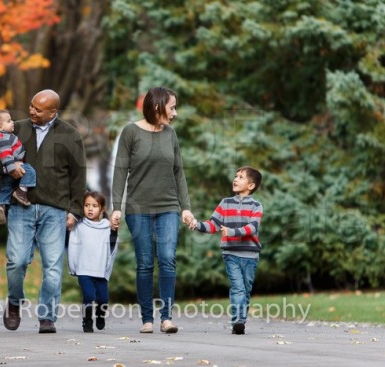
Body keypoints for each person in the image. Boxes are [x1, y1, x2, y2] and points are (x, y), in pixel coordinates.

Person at [0, 89, 87, 334]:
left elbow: (78, 177)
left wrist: (75, 211)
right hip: (22, 207)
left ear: (53, 112)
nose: (31, 111)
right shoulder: (14, 128)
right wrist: (9, 167)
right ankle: (14, 302)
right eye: (31, 106)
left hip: (55, 210)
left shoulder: (70, 135)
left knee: (52, 267)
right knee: (17, 261)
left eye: (38, 109)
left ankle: (47, 317)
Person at [110, 86, 194, 334]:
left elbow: (179, 172)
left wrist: (185, 208)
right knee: (145, 263)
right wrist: (116, 207)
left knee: (167, 259)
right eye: (172, 107)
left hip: (168, 206)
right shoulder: (130, 132)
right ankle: (147, 318)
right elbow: (119, 171)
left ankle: (166, 317)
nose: (175, 113)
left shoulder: (171, 134)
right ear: (158, 107)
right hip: (138, 208)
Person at [188, 166, 263, 335]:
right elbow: (213, 224)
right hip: (231, 254)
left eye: (241, 177)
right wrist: (196, 224)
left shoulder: (256, 206)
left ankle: (241, 319)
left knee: (246, 289)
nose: (235, 179)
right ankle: (237, 321)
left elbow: (252, 227)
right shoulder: (225, 203)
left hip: (250, 255)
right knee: (238, 288)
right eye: (235, 176)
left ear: (250, 185)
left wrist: (232, 232)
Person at [67, 191, 118, 333]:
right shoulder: (79, 225)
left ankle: (100, 315)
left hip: (100, 269)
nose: (90, 209)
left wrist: (114, 231)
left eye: (94, 206)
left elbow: (112, 246)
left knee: (103, 299)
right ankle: (87, 321)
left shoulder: (107, 226)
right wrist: (73, 266)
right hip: (84, 269)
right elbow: (72, 245)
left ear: (101, 209)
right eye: (87, 205)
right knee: (88, 296)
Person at [0, 109, 37, 225]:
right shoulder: (5, 139)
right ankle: (21, 192)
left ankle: (1, 206)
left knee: (5, 189)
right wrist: (12, 168)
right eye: (9, 121)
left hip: (5, 172)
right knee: (30, 171)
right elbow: (5, 155)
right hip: (13, 166)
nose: (12, 122)